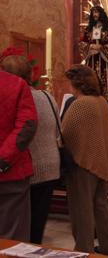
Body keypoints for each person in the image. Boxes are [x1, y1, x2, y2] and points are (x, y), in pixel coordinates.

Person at [1, 54, 60, 243]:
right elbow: (26, 126)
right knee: (15, 237)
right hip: (18, 170)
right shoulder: (22, 88)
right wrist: (3, 160)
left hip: (20, 169)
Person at [62, 64, 108, 256]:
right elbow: (107, 133)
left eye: (70, 82)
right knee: (100, 206)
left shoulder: (80, 104)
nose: (68, 86)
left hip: (83, 163)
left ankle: (83, 250)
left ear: (77, 83)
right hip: (100, 160)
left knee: (82, 209)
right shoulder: (101, 100)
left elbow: (65, 133)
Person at [0, 62, 37, 241]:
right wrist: (3, 160)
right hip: (10, 171)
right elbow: (27, 126)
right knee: (12, 240)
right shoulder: (16, 84)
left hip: (10, 175)